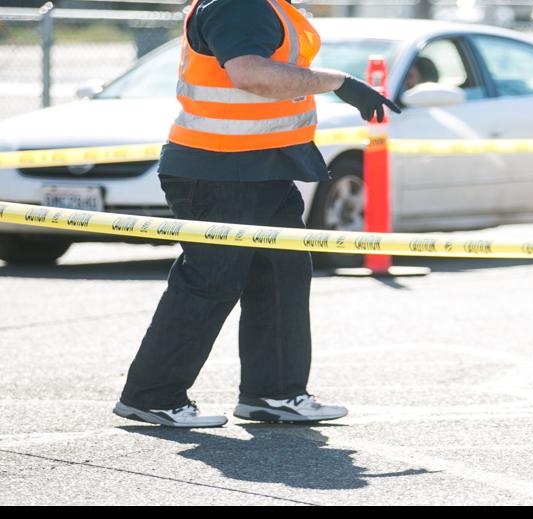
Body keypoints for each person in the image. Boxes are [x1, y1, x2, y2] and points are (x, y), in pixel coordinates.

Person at [113, 0, 399, 428]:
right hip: (221, 169)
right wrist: (338, 82)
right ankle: (152, 395)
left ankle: (275, 394)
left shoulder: (266, 5)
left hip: (260, 166)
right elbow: (249, 74)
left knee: (282, 274)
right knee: (211, 279)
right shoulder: (240, 4)